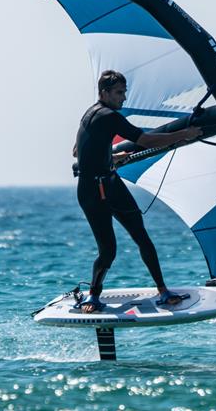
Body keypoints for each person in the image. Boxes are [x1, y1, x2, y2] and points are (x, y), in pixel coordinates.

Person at [74, 70, 202, 313]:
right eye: (119, 93)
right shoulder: (109, 116)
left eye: (124, 92)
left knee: (141, 236)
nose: (123, 98)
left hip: (106, 184)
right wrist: (184, 134)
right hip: (94, 191)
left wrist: (109, 156)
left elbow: (78, 150)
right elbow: (145, 140)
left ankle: (163, 291)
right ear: (104, 93)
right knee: (108, 250)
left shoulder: (89, 113)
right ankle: (93, 296)